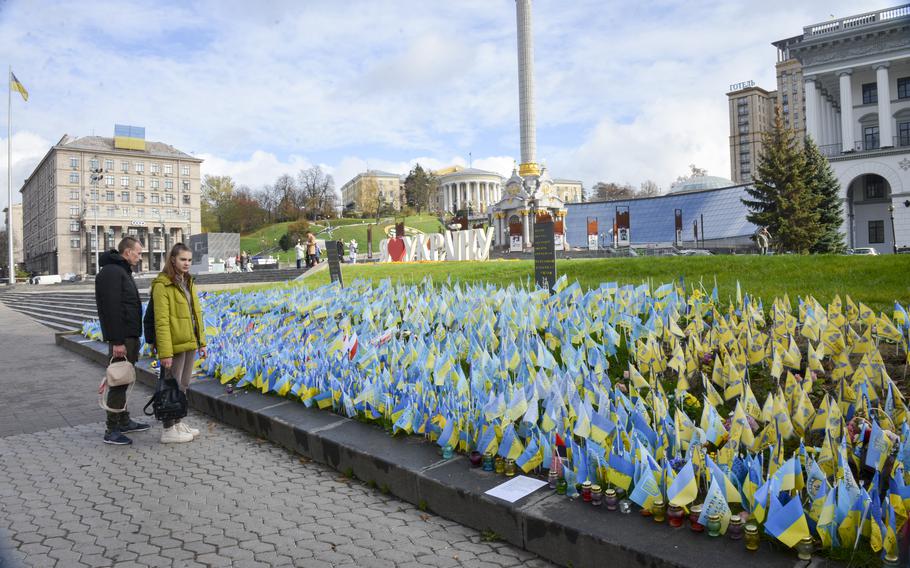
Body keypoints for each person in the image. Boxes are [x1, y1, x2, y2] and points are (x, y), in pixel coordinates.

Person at [95, 236, 151, 445]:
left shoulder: (120, 270)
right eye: (138, 252)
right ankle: (112, 429)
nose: (140, 256)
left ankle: (124, 420)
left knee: (124, 378)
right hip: (122, 338)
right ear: (127, 252)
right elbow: (111, 309)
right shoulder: (112, 273)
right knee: (118, 381)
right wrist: (117, 341)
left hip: (129, 336)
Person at [151, 243, 207, 444]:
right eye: (183, 259)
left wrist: (202, 342)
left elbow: (196, 314)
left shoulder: (187, 281)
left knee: (183, 384)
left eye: (190, 260)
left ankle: (177, 421)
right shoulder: (162, 285)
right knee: (171, 387)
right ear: (172, 259)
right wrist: (165, 353)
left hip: (189, 341)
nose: (187, 263)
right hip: (174, 344)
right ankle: (168, 429)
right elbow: (162, 320)